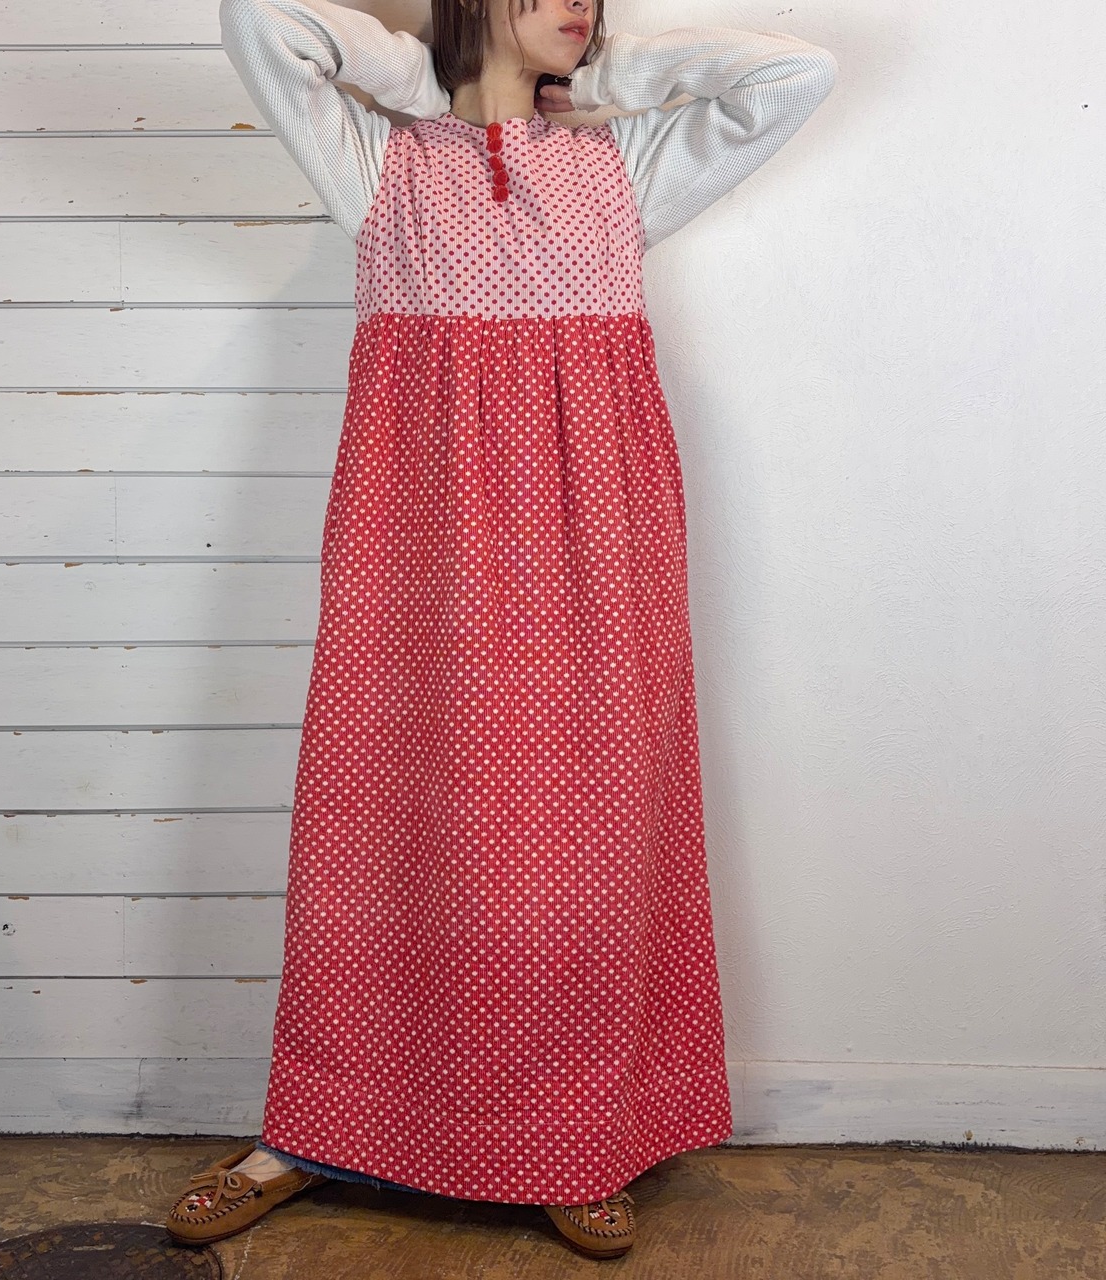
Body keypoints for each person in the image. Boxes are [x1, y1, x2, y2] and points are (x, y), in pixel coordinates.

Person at [167, 0, 836, 1259]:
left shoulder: (622, 163)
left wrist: (583, 75)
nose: (580, 4)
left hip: (595, 536)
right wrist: (439, 71)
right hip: (413, 537)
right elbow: (261, 20)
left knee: (589, 830)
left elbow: (794, 74)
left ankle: (578, 1134)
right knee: (377, 814)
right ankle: (313, 1128)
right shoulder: (377, 164)